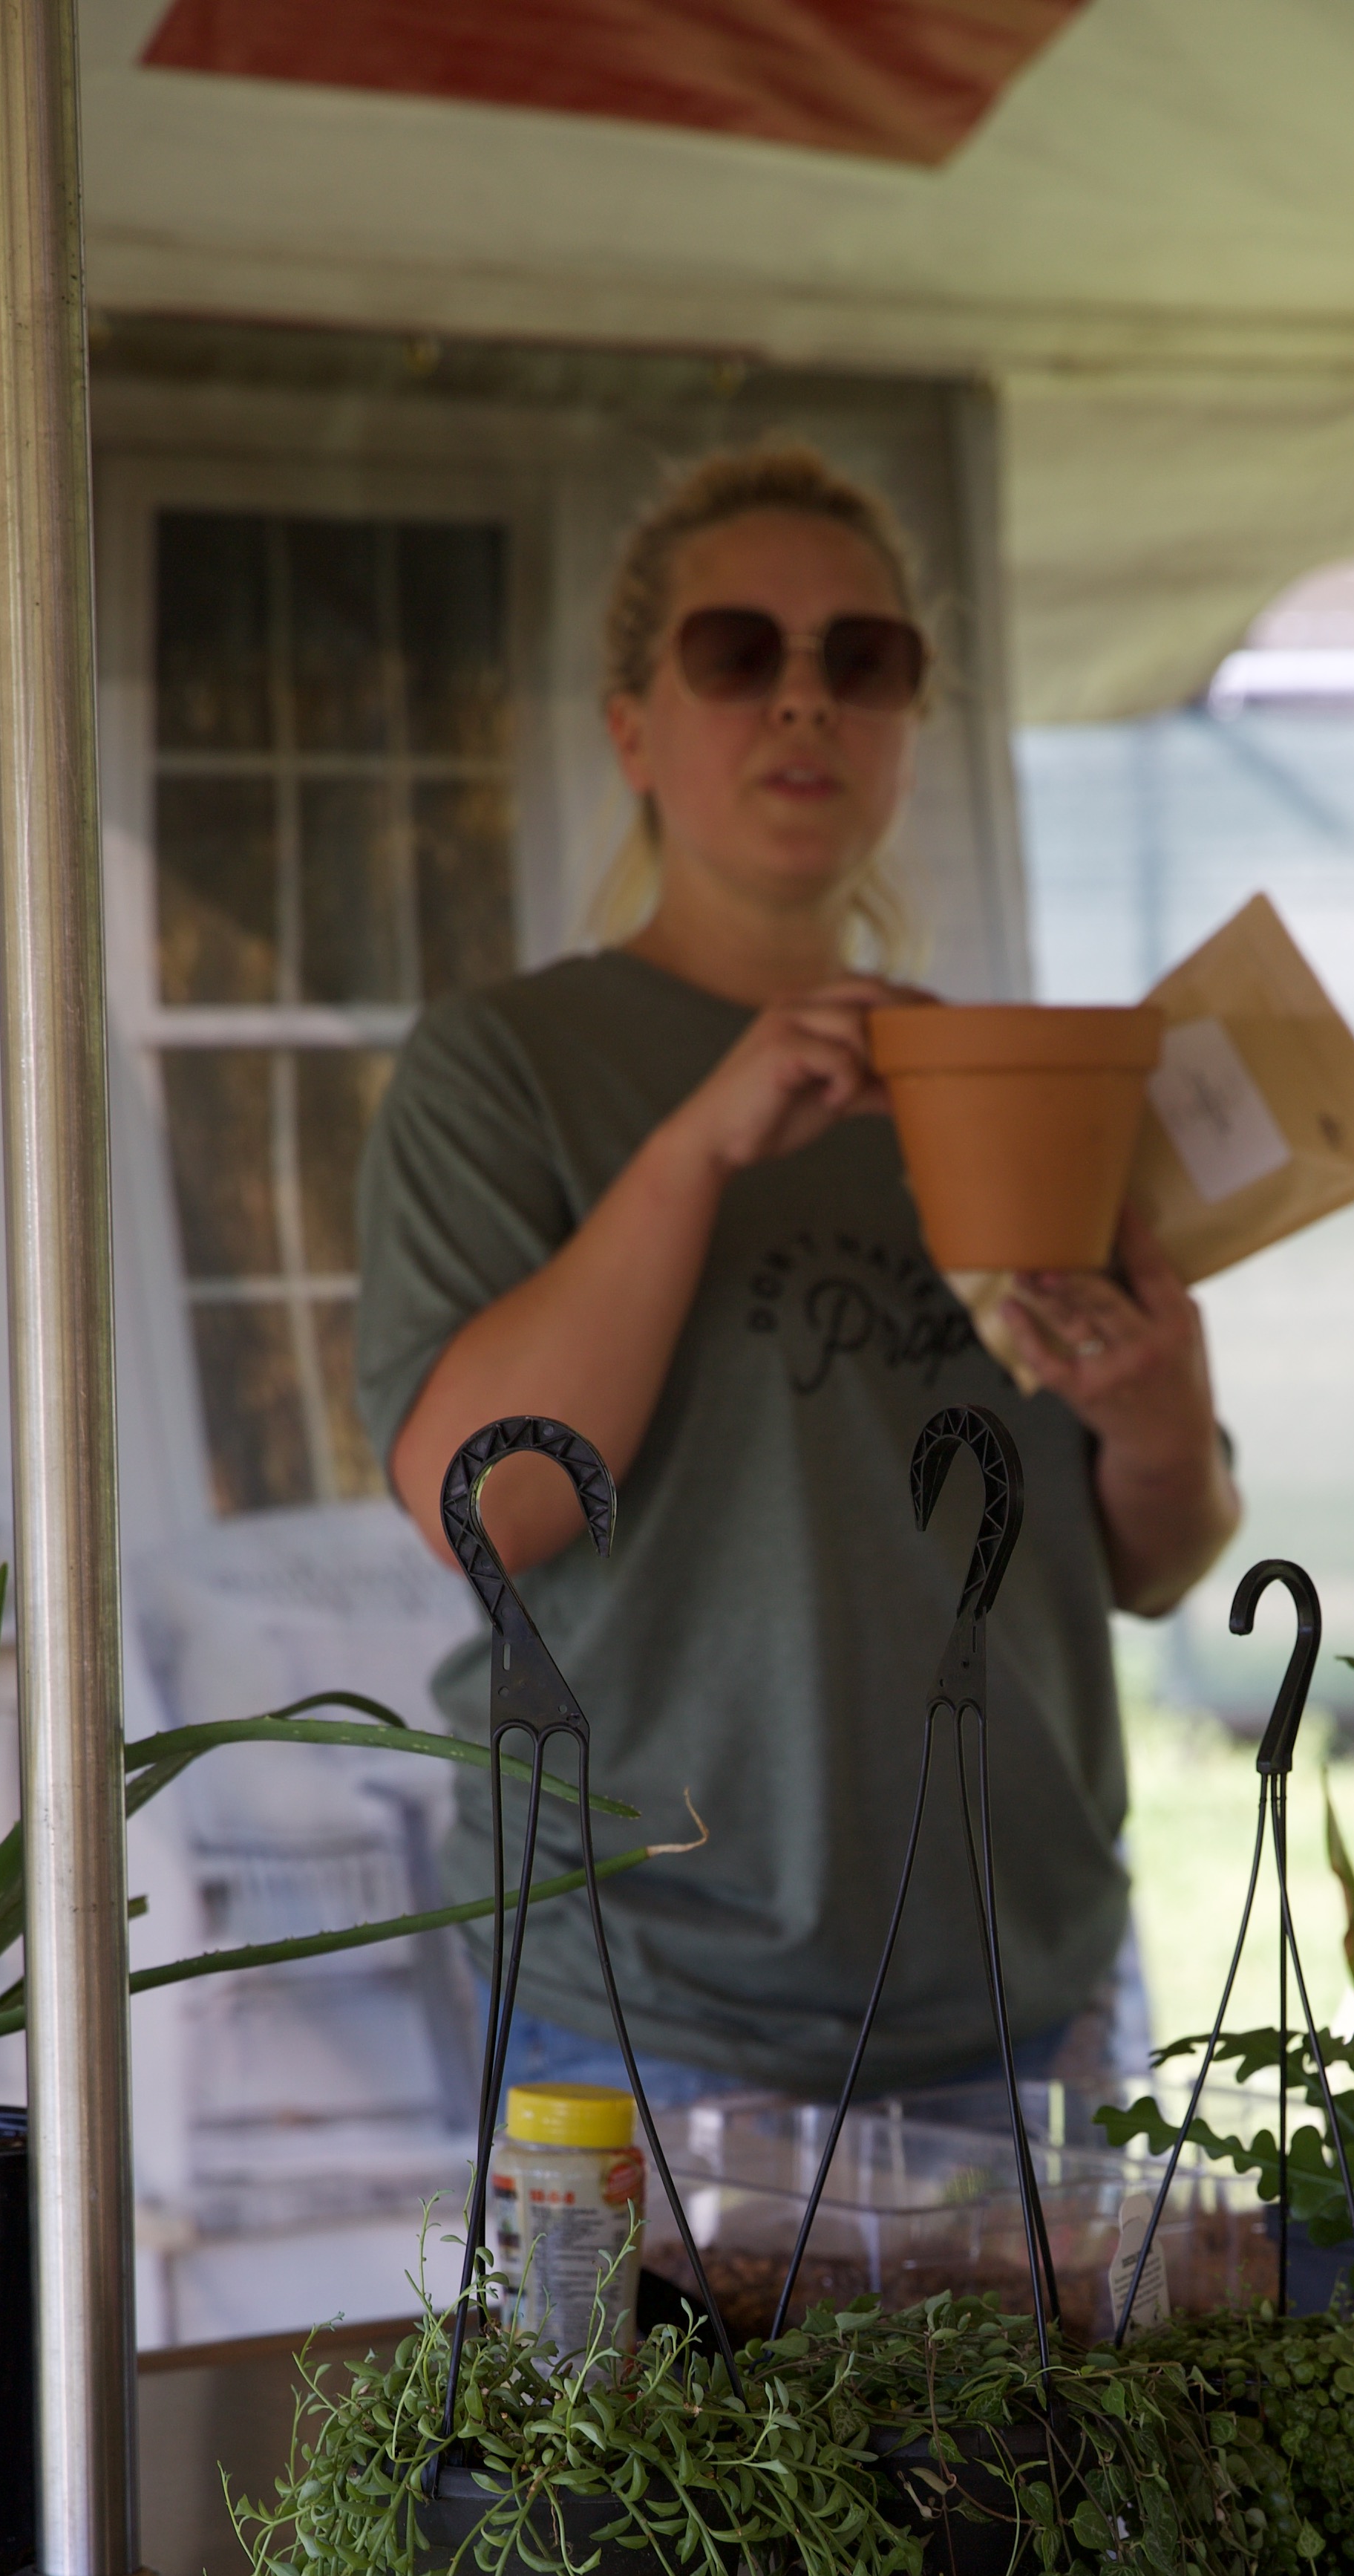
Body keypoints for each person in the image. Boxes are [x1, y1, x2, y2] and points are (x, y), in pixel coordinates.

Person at [354, 440, 1240, 2118]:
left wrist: (1159, 1420)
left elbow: (1155, 1554)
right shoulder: (509, 1065)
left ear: (912, 721)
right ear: (634, 729)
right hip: (658, 2004)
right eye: (738, 651)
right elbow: (491, 1505)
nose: (806, 698)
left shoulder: (1004, 1078)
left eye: (864, 658)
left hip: (1023, 1992)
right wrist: (697, 1147)